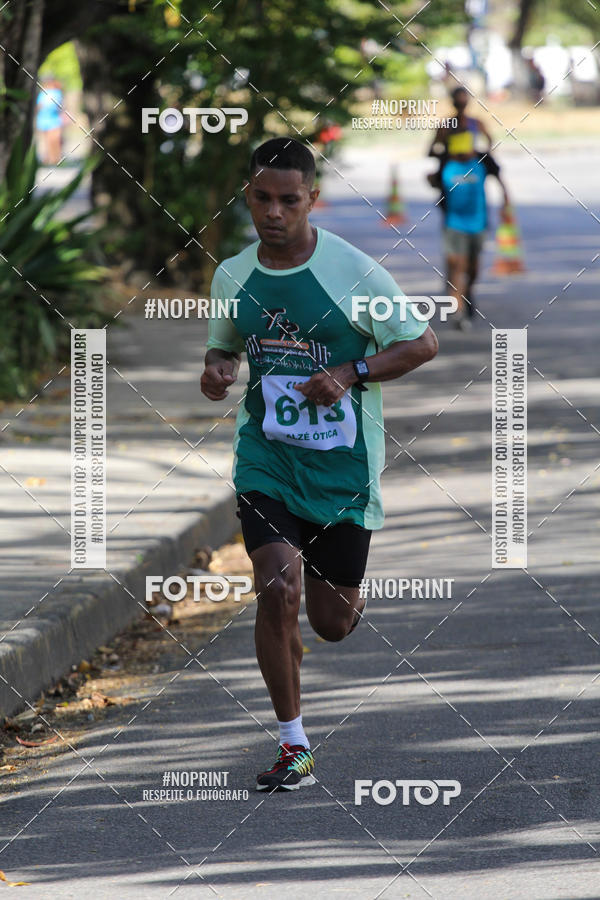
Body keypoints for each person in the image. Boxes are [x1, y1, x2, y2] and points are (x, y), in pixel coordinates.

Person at [201, 137, 438, 791]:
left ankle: (331, 591)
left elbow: (422, 343)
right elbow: (223, 351)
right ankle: (293, 744)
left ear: (312, 200)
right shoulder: (232, 275)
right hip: (267, 459)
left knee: (332, 624)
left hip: (342, 469)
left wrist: (351, 370)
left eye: (288, 200)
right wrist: (218, 371)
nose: (273, 212)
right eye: (261, 198)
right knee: (277, 588)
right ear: (248, 197)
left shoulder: (356, 273)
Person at [439, 128, 509, 328]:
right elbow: (435, 180)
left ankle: (467, 293)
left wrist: (506, 202)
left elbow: (499, 178)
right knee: (458, 266)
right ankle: (458, 311)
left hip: (478, 225)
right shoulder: (448, 166)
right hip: (454, 224)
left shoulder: (481, 164)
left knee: (474, 269)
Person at [35, 78, 64, 166]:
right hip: (44, 119)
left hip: (54, 119)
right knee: (48, 140)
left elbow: (59, 106)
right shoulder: (43, 93)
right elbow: (39, 105)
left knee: (54, 139)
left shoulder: (56, 93)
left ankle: (56, 158)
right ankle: (51, 158)